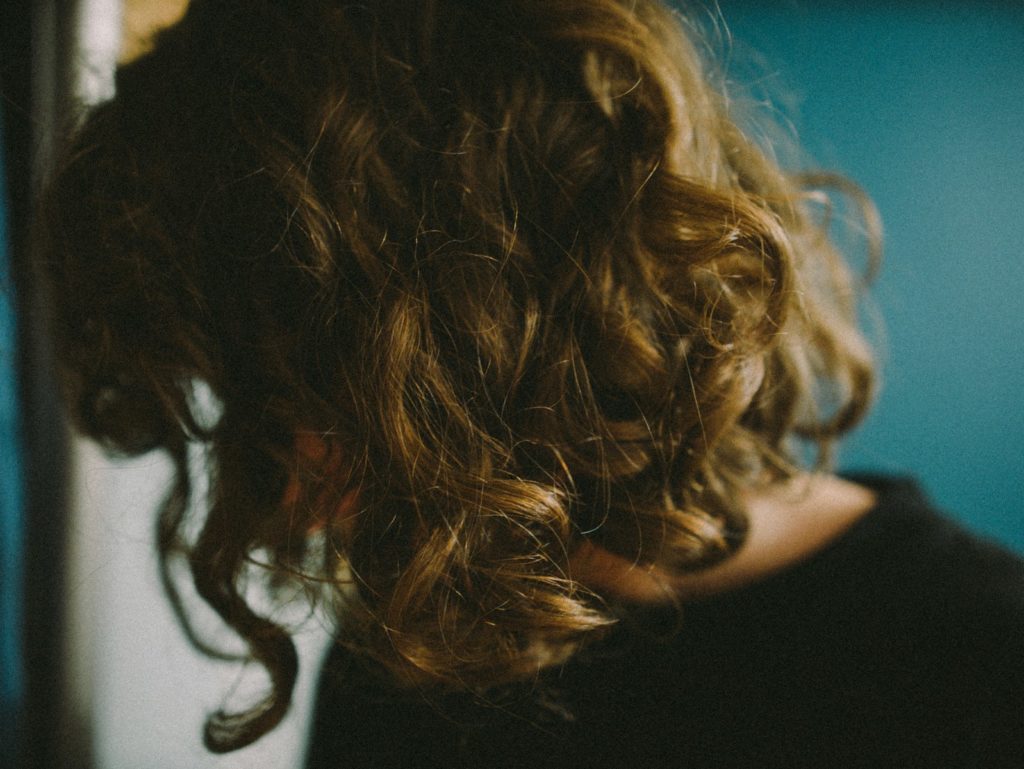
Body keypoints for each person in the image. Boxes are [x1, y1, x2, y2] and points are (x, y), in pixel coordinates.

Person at [42, 0, 1023, 766]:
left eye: (288, 406)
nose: (286, 507)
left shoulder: (981, 665)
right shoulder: (414, 658)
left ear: (481, 332)